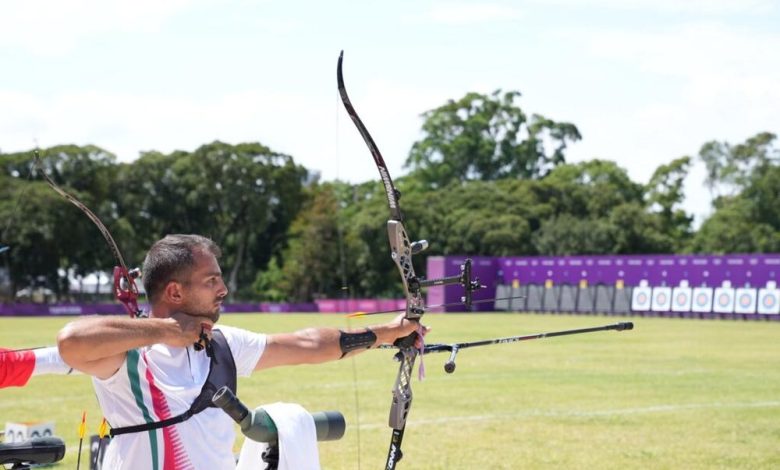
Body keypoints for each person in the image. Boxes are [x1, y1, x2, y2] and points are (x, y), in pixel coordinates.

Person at [57, 234, 423, 470]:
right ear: (174, 293)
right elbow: (71, 341)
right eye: (211, 280)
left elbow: (308, 344)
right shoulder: (128, 355)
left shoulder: (222, 343)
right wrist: (169, 331)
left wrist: (388, 332)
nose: (224, 289)